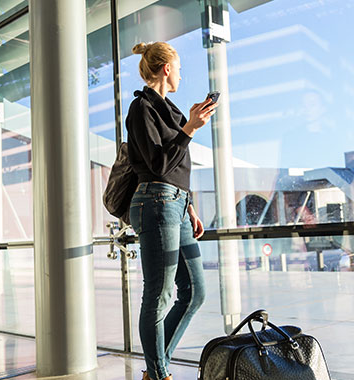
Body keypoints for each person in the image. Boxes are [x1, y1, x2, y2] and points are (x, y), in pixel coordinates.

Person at [126, 41, 217, 380]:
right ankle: (159, 372)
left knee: (194, 291)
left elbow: (178, 167)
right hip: (155, 202)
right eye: (178, 68)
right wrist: (190, 129)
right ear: (166, 69)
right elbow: (159, 163)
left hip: (176, 205)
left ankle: (155, 367)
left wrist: (189, 205)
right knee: (159, 293)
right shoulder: (142, 108)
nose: (181, 74)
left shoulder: (171, 111)